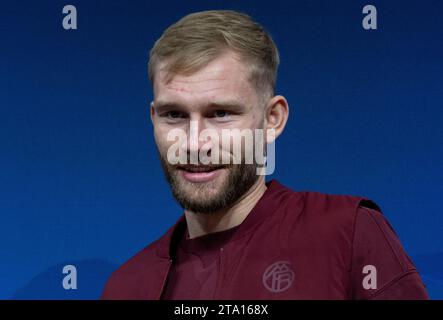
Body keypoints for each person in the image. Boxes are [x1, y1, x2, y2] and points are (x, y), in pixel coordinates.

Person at [101, 10, 428, 299]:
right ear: (153, 118)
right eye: (174, 115)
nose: (194, 143)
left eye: (221, 113)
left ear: (273, 119)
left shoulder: (349, 233)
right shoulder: (126, 287)